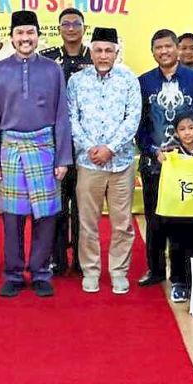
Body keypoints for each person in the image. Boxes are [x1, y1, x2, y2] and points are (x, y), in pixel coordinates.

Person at [0, 10, 73, 298]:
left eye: (30, 33)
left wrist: (63, 158)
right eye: (20, 33)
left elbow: (62, 115)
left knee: (45, 216)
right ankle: (13, 273)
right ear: (11, 38)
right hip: (10, 148)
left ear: (38, 36)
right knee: (12, 216)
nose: (25, 38)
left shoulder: (52, 69)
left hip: (44, 148)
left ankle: (40, 272)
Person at [66, 27, 141, 295]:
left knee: (122, 223)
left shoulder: (129, 79)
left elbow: (133, 118)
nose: (103, 55)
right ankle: (91, 271)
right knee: (87, 222)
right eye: (98, 50)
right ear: (91, 51)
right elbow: (71, 118)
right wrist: (90, 148)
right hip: (88, 163)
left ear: (116, 51)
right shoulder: (77, 81)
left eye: (109, 50)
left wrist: (110, 148)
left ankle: (119, 272)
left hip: (120, 163)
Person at [137, 29, 193, 287]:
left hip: (189, 166)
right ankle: (155, 270)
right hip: (155, 164)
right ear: (153, 52)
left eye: (168, 46)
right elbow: (140, 125)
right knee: (155, 220)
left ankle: (192, 274)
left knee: (188, 220)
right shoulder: (144, 82)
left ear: (177, 48)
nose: (164, 52)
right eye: (158, 48)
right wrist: (152, 151)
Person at [41, 7, 93, 275]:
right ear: (59, 28)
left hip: (86, 146)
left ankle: (83, 260)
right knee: (57, 205)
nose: (71, 28)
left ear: (84, 28)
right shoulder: (48, 59)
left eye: (76, 23)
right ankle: (57, 258)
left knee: (83, 208)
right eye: (66, 24)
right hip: (55, 144)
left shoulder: (95, 57)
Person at [159, 113, 193, 303]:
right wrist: (162, 159)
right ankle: (178, 282)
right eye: (182, 129)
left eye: (191, 128)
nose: (187, 132)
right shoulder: (171, 154)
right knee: (177, 245)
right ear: (176, 132)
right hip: (177, 210)